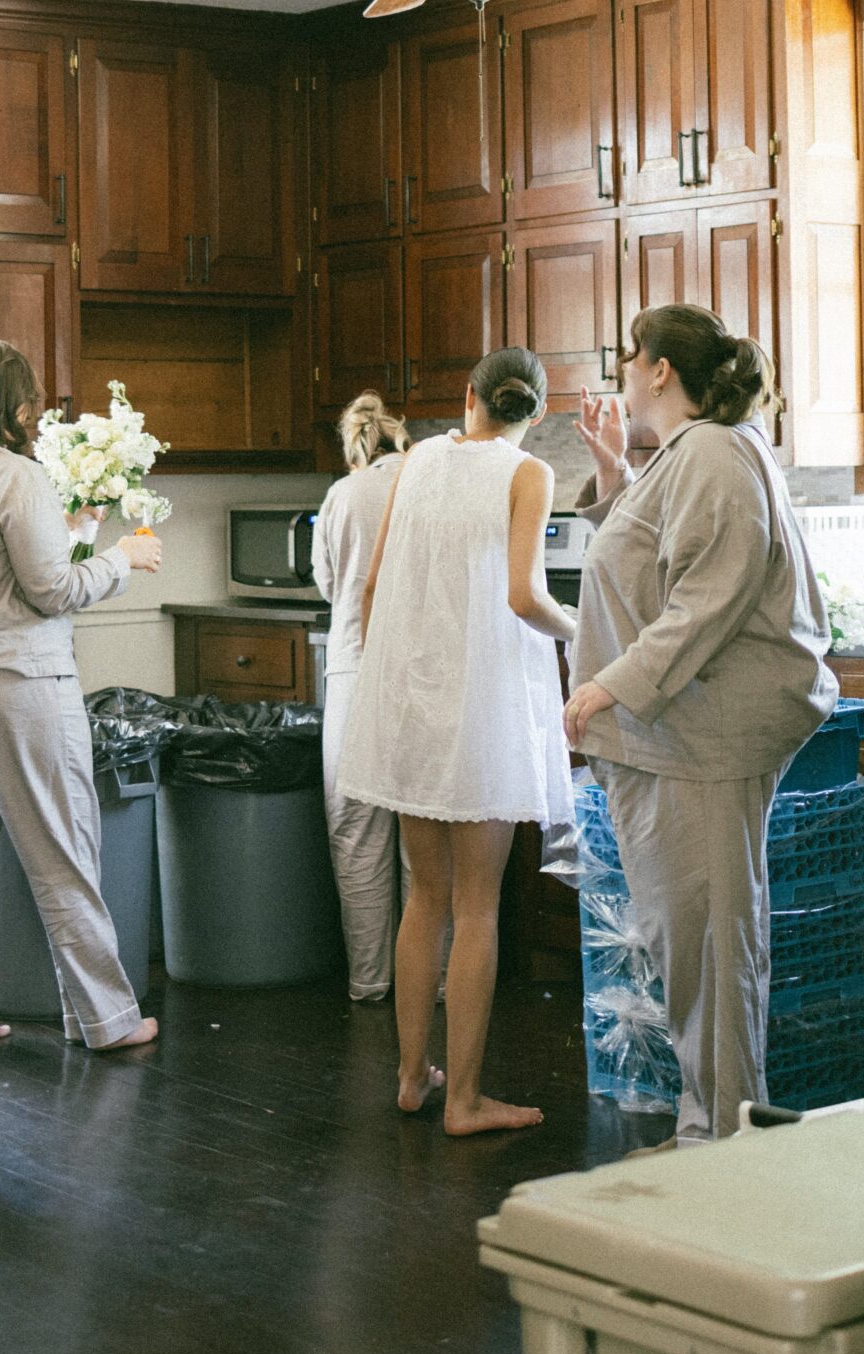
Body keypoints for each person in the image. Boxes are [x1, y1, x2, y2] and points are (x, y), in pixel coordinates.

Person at [561, 308, 835, 1142]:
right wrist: (613, 474)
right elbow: (645, 562)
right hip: (676, 732)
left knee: (712, 949)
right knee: (692, 941)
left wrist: (610, 684)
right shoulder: (687, 453)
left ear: (659, 369)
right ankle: (712, 1126)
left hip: (701, 733)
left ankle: (722, 1139)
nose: (621, 373)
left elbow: (708, 594)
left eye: (628, 357)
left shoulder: (714, 450)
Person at [337, 347, 576, 1135]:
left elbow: (371, 586)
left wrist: (389, 677)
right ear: (534, 414)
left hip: (409, 699)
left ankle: (412, 1078)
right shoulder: (527, 474)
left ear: (466, 396)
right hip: (484, 706)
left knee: (425, 897)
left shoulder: (416, 462)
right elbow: (522, 596)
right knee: (477, 907)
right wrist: (582, 632)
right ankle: (466, 1101)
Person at [0, 341, 164, 1055]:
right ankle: (108, 1019)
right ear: (18, 405)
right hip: (28, 686)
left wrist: (80, 531)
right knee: (64, 856)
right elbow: (51, 590)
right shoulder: (16, 475)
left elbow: (13, 570)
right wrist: (125, 558)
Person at [312, 390, 411, 1000]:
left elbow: (327, 583)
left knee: (356, 828)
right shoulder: (427, 479)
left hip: (352, 668)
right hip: (422, 671)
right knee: (427, 832)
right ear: (399, 435)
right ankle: (442, 981)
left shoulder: (340, 496)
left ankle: (369, 980)